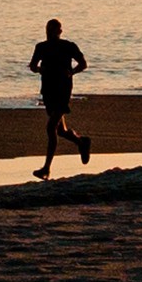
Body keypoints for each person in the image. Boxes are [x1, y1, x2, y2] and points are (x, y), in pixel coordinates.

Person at [28, 17, 90, 179]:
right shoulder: (41, 47)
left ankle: (46, 168)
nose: (50, 33)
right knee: (60, 131)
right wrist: (40, 70)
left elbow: (83, 64)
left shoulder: (68, 46)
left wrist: (72, 72)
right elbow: (33, 66)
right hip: (48, 91)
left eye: (53, 30)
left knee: (50, 128)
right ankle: (81, 142)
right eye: (48, 30)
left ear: (60, 32)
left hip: (63, 90)